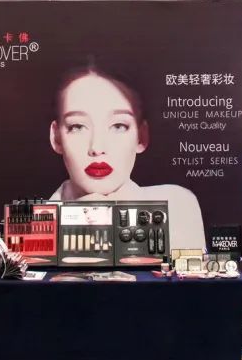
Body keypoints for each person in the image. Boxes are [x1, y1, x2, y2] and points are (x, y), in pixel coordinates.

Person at [48, 65, 206, 250]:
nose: (97, 148)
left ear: (141, 136)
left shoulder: (176, 205)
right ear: (56, 137)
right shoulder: (32, 224)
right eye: (77, 127)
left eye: (118, 126)